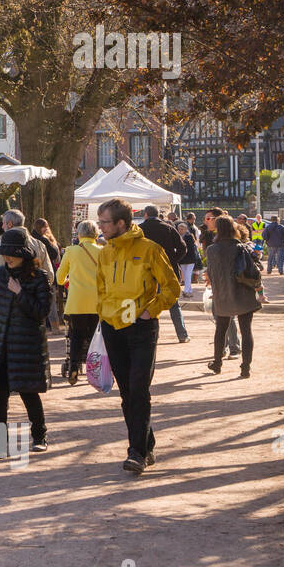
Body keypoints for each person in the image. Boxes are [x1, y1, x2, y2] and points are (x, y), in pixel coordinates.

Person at [95, 197, 181, 476]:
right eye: (99, 222)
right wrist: (104, 312)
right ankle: (146, 444)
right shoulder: (105, 252)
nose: (101, 227)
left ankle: (137, 453)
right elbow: (101, 287)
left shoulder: (149, 250)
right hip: (113, 327)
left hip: (142, 327)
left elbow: (171, 287)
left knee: (139, 389)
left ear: (121, 223)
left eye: (105, 222)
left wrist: (150, 310)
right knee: (128, 392)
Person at [0, 227, 52, 459]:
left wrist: (20, 292)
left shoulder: (39, 278)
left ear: (24, 254)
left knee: (28, 392)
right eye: (5, 253)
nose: (7, 257)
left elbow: (42, 313)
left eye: (11, 253)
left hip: (26, 345)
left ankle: (40, 435)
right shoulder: (0, 274)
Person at [204, 215, 259, 378]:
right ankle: (245, 367)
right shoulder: (241, 247)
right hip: (243, 292)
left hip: (223, 294)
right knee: (246, 331)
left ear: (218, 229)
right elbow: (253, 270)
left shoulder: (212, 250)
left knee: (220, 330)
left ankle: (217, 363)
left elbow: (211, 274)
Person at [55, 220, 103, 385]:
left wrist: (70, 279)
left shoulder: (72, 251)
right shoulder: (103, 251)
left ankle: (74, 366)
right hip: (98, 303)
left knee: (76, 336)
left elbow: (60, 279)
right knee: (94, 338)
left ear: (79, 234)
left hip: (77, 302)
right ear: (96, 234)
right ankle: (95, 369)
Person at [139, 204, 190, 343]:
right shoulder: (168, 228)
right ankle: (182, 334)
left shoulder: (140, 229)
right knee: (174, 303)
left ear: (146, 215)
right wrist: (172, 260)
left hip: (147, 271)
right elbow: (182, 247)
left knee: (148, 303)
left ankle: (152, 335)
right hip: (167, 270)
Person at [175, 220, 201, 296]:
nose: (180, 230)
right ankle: (189, 291)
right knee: (186, 274)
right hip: (182, 259)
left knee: (188, 274)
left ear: (186, 229)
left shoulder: (189, 236)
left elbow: (190, 249)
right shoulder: (178, 236)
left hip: (190, 259)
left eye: (182, 229)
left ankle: (186, 290)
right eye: (179, 229)